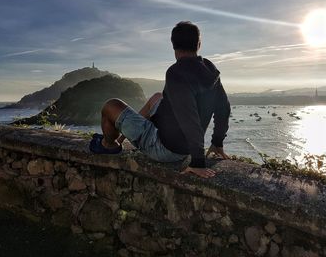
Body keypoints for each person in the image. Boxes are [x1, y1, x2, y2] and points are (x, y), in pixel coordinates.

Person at [90, 21, 231, 178]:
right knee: (157, 97)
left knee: (110, 106)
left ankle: (109, 145)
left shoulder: (176, 72)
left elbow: (188, 117)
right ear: (198, 44)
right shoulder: (210, 69)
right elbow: (223, 108)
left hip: (166, 149)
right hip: (182, 144)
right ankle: (122, 138)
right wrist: (217, 141)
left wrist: (197, 162)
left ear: (173, 46)